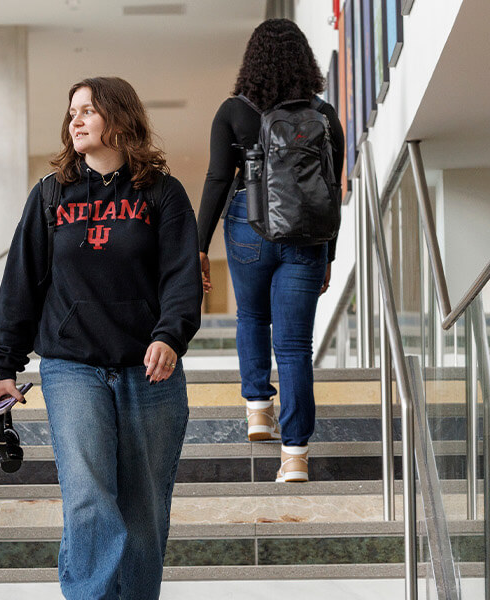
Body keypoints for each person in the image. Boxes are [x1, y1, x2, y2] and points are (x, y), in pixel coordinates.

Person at [0, 76, 203, 600]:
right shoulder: (51, 194)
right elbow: (22, 281)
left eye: (87, 110)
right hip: (72, 365)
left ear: (119, 117)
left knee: (144, 508)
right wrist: (6, 368)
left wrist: (170, 337)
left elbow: (181, 276)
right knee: (88, 498)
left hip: (149, 369)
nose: (75, 120)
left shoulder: (162, 193)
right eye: (71, 113)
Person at [195, 18, 345, 482]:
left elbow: (219, 179)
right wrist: (330, 254)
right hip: (307, 238)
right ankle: (295, 456)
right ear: (305, 60)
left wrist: (198, 248)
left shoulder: (233, 111)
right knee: (297, 346)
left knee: (252, 317)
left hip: (248, 228)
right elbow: (331, 189)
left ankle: (258, 407)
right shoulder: (324, 114)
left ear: (252, 61)